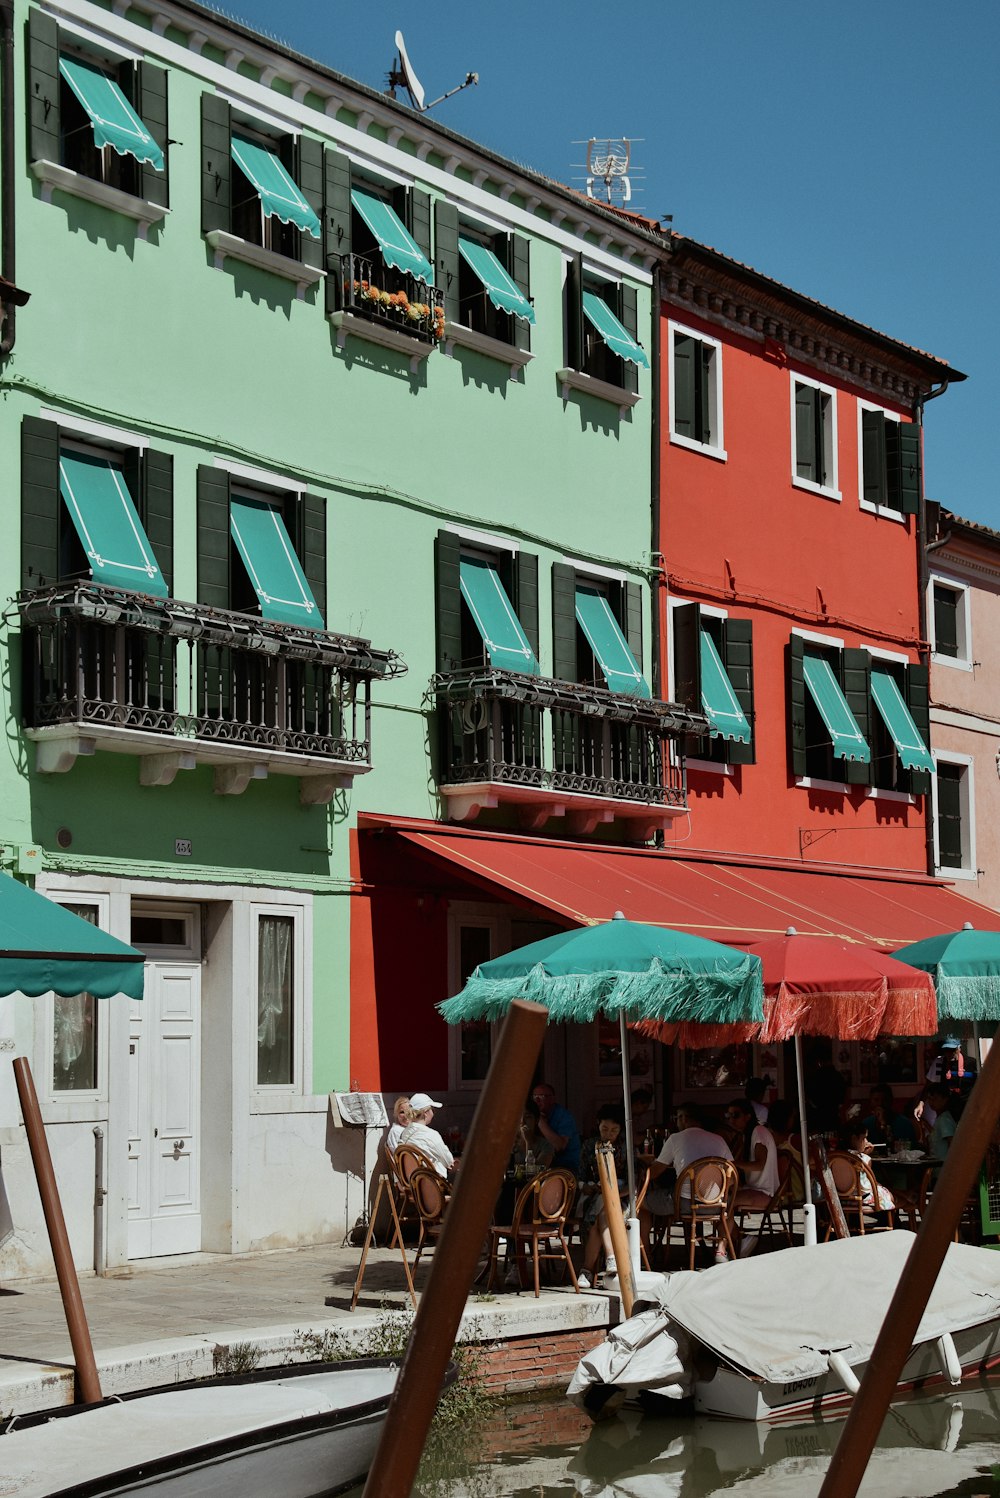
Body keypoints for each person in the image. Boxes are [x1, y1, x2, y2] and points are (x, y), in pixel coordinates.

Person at [639, 1102, 733, 1262]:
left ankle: (645, 1253)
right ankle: (721, 1249)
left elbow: (655, 1173)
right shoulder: (719, 1139)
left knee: (640, 1204)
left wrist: (645, 1165)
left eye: (678, 1118)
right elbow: (731, 1174)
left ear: (683, 1118)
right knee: (730, 1205)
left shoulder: (675, 1138)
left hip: (684, 1204)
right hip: (716, 1205)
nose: (677, 1121)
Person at [577, 1104, 628, 1286]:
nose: (609, 1134)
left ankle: (586, 1271)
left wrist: (613, 1194)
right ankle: (610, 1257)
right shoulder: (590, 1145)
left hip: (621, 1198)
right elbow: (580, 1177)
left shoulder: (626, 1146)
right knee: (603, 1212)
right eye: (604, 1129)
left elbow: (634, 1183)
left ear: (621, 1130)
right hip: (594, 1196)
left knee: (599, 1218)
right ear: (598, 1125)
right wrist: (586, 1187)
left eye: (614, 1130)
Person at [398, 1092, 455, 1178]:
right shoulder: (431, 1134)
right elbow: (449, 1162)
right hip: (435, 1184)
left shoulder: (404, 1134)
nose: (433, 1112)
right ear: (426, 1112)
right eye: (432, 1109)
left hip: (414, 1183)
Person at [531, 1083, 581, 1175]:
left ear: (552, 1099)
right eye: (535, 1096)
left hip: (566, 1168)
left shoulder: (564, 1116)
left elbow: (559, 1146)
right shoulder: (530, 1116)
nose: (537, 1100)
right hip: (542, 1167)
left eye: (542, 1096)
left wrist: (539, 1121)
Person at [862, 1084, 917, 1149]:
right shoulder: (866, 1123)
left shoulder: (904, 1123)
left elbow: (910, 1148)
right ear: (870, 1101)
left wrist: (883, 1124)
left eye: (884, 1100)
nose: (880, 1104)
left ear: (890, 1101)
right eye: (876, 1100)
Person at [509, 1099, 554, 1176]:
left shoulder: (546, 1145)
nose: (522, 1122)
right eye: (519, 1117)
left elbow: (535, 1174)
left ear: (536, 1120)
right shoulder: (508, 1143)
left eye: (527, 1117)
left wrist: (528, 1142)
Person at [926, 1084, 958, 1163]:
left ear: (945, 1099)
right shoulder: (940, 1118)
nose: (931, 1102)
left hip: (943, 1167)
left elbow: (952, 1143)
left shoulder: (944, 1119)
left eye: (935, 1099)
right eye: (929, 1099)